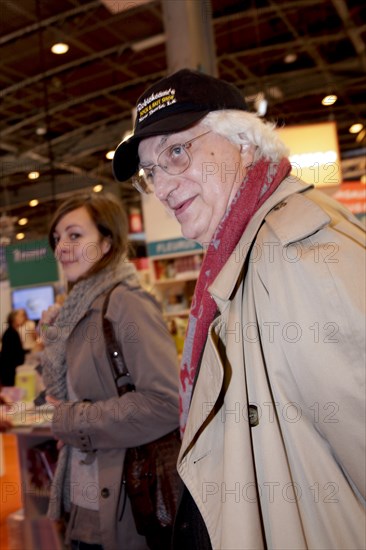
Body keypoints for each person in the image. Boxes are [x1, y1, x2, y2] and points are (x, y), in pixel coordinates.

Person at [112, 69, 366, 550]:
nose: (162, 187)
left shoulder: (296, 258)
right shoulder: (239, 258)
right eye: (152, 171)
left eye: (177, 151)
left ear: (245, 143)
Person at [39, 192, 180, 550]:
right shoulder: (76, 311)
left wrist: (73, 421)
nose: (62, 247)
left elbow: (165, 402)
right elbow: (62, 397)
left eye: (75, 235)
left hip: (127, 503)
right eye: (57, 238)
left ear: (105, 243)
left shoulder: (126, 304)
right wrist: (55, 338)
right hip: (86, 500)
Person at [0, 310, 26, 387]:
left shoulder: (12, 332)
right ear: (14, 319)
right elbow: (10, 354)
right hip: (9, 371)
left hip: (10, 369)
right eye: (20, 316)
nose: (23, 318)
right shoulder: (10, 333)